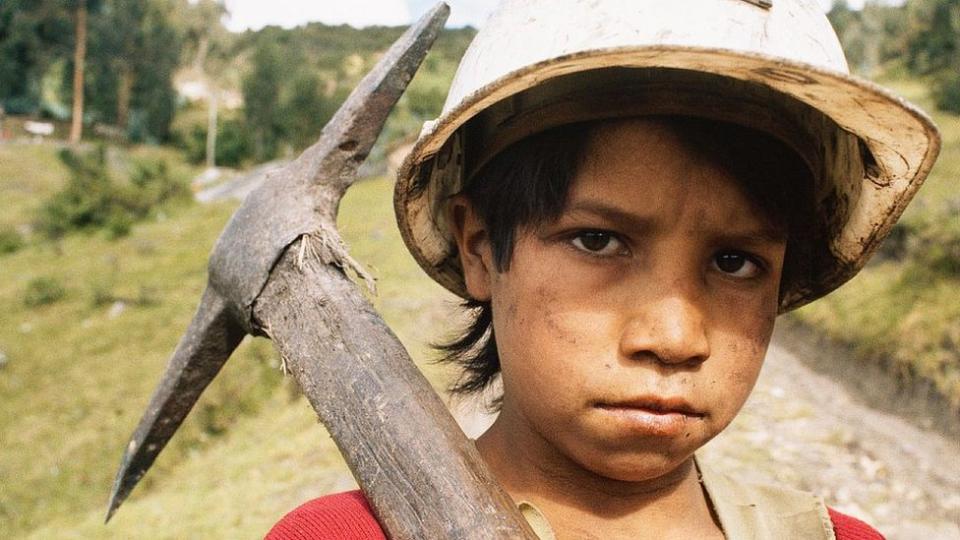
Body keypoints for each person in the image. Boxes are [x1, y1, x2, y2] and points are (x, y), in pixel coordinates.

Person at [267, 0, 940, 538]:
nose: (675, 338)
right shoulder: (339, 536)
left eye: (735, 262)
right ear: (477, 245)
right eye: (597, 241)